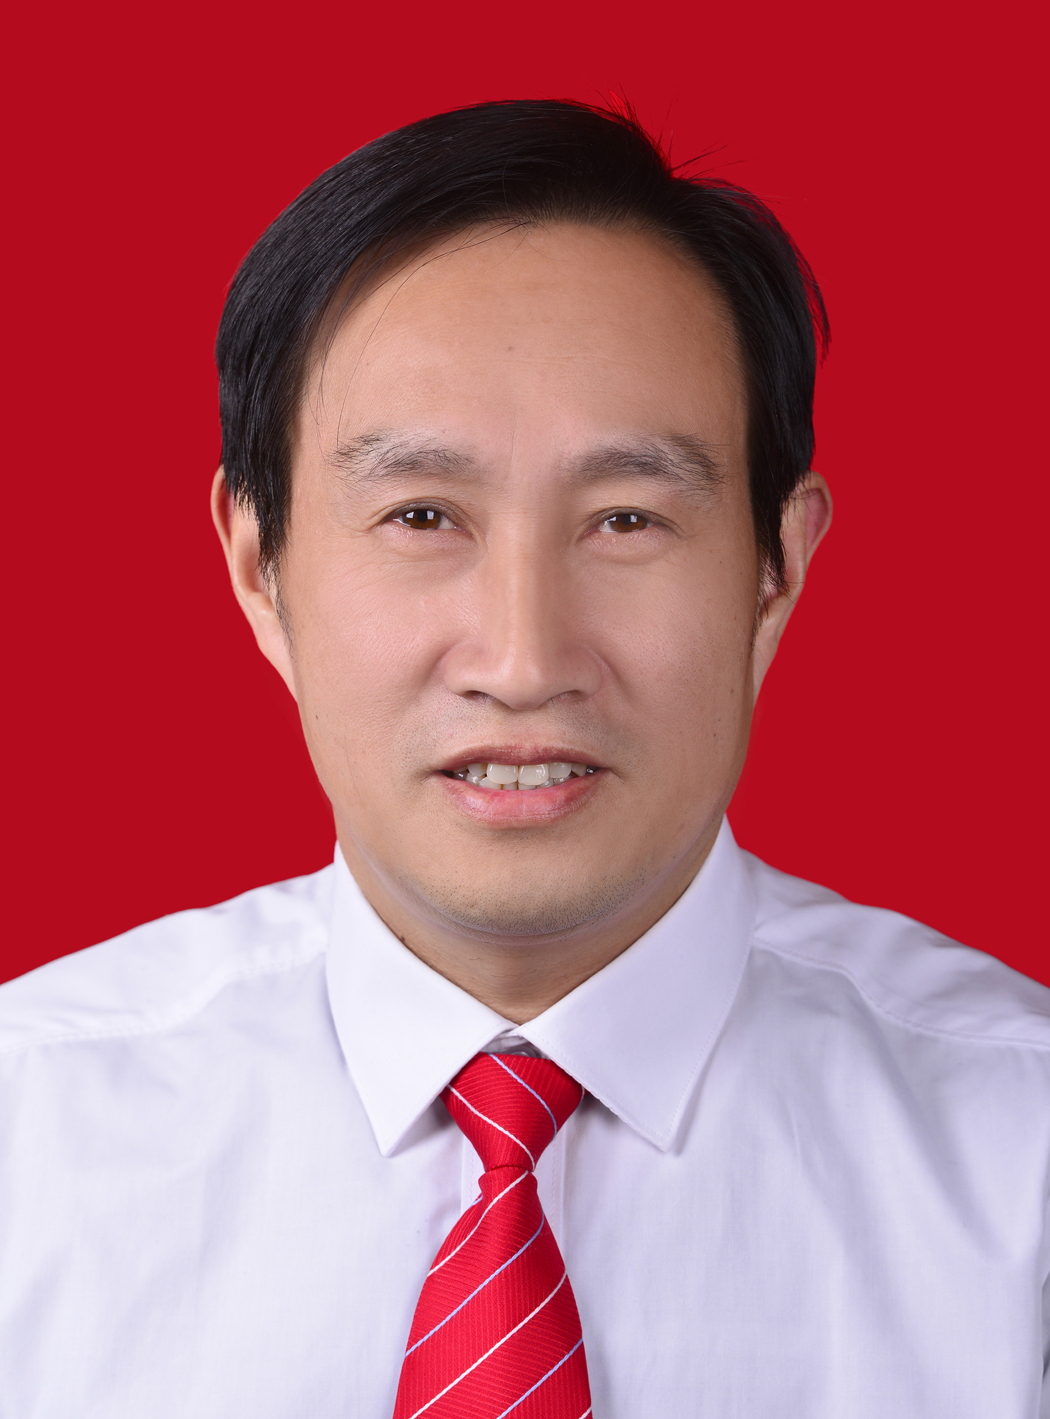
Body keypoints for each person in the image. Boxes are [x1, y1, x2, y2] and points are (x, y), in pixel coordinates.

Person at [1, 99, 1048, 1419]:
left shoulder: (1022, 1168)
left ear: (774, 570)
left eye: (625, 520)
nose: (521, 658)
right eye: (420, 515)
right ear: (261, 568)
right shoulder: (27, 1141)